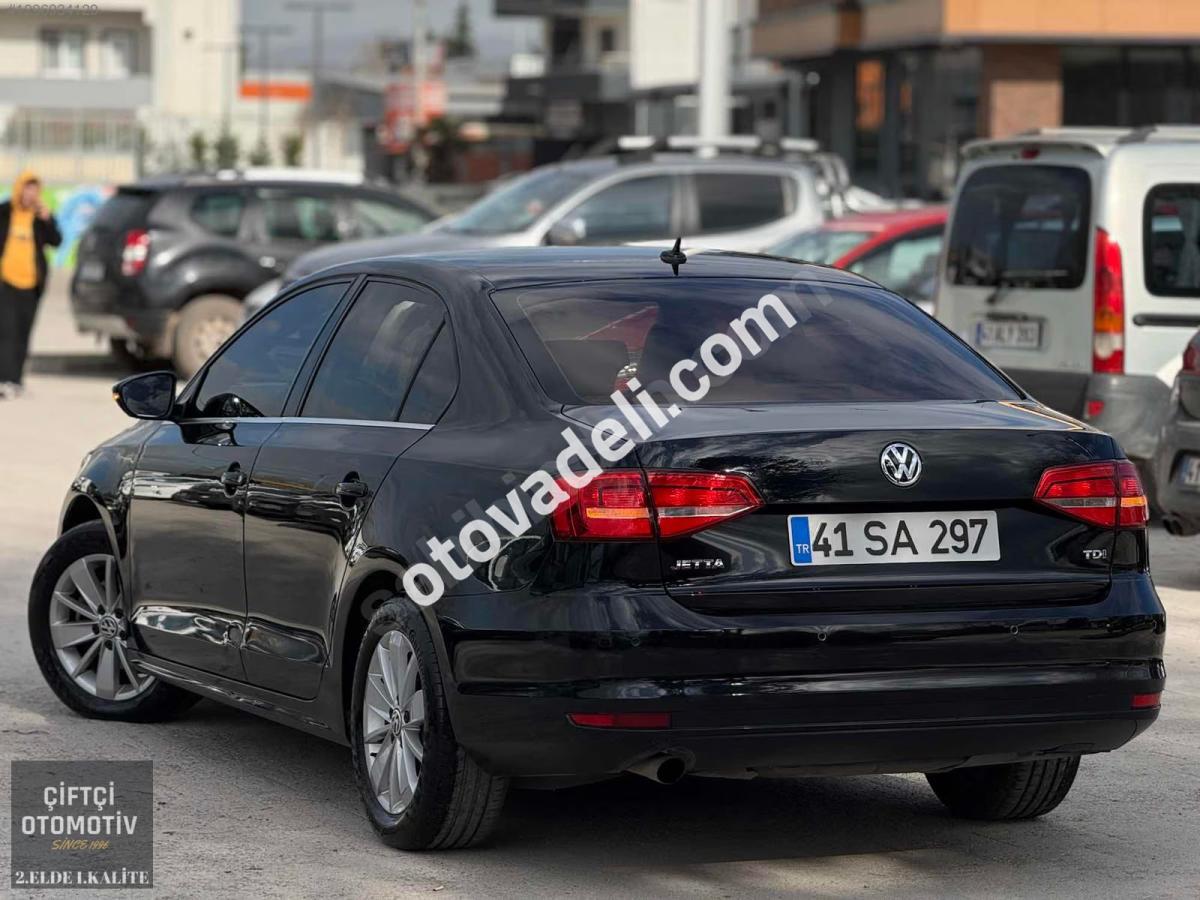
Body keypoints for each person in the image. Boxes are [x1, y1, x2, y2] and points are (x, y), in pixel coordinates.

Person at [0, 171, 61, 398]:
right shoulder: (4, 212)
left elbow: (56, 241)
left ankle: (16, 381)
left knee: (23, 333)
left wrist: (48, 219)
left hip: (31, 285)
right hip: (5, 283)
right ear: (19, 189)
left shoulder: (39, 217)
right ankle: (4, 380)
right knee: (6, 332)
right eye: (27, 189)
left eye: (35, 190)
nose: (31, 194)